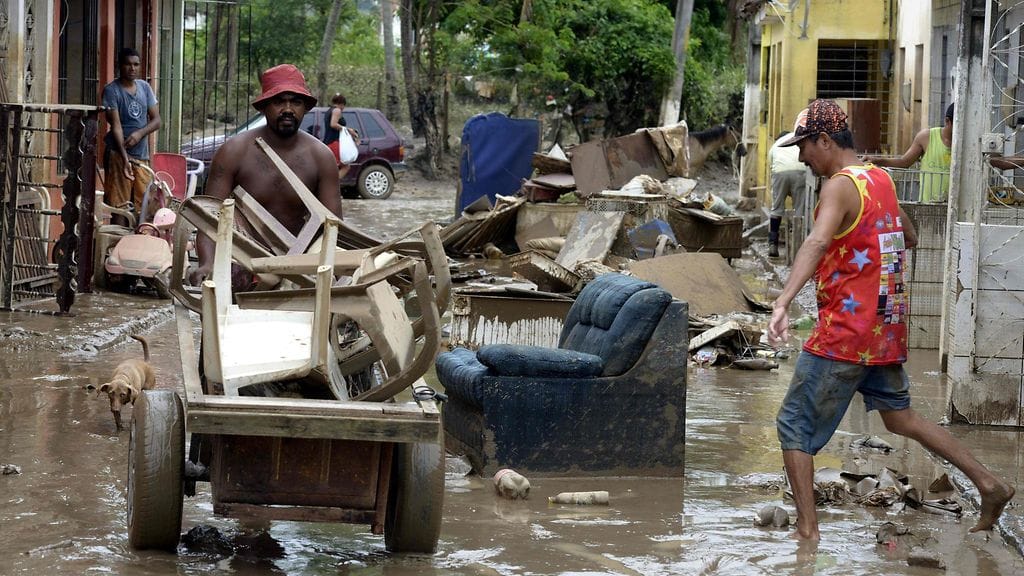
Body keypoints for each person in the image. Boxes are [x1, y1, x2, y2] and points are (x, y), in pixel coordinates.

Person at [767, 99, 1014, 541]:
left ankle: (807, 536)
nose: (802, 157)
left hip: (845, 334)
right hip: (884, 330)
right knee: (901, 418)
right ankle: (990, 483)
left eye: (804, 147)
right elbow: (911, 235)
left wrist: (783, 300)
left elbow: (818, 242)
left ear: (825, 140)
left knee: (794, 427)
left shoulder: (840, 186)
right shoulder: (878, 177)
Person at [188, 63, 342, 286]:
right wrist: (207, 264)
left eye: (296, 102)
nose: (288, 109)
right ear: (264, 107)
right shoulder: (234, 151)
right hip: (243, 260)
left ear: (305, 108)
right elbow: (210, 219)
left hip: (301, 264)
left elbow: (334, 229)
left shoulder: (322, 157)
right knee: (223, 283)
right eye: (279, 101)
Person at [102, 47, 161, 226]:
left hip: (141, 156)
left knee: (146, 203)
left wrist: (140, 133)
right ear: (120, 66)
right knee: (119, 205)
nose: (132, 68)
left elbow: (157, 120)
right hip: (118, 155)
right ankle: (116, 245)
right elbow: (116, 126)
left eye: (136, 64)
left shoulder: (144, 87)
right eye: (128, 64)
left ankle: (141, 243)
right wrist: (124, 156)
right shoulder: (112, 90)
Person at [864, 104, 953, 203]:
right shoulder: (927, 137)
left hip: (956, 207)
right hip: (929, 205)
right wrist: (877, 160)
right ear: (947, 121)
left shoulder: (966, 146)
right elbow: (904, 162)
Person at [768, 130, 810, 257]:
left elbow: (772, 166)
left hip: (780, 172)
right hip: (800, 171)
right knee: (799, 210)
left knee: (777, 208)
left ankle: (773, 245)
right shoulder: (798, 138)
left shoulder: (775, 145)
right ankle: (797, 246)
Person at [324, 93, 358, 181]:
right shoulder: (337, 110)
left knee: (335, 167)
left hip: (328, 142)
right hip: (334, 143)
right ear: (342, 103)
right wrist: (348, 129)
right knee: (344, 167)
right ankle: (332, 186)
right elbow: (333, 124)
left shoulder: (329, 111)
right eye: (344, 106)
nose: (343, 108)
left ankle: (331, 186)